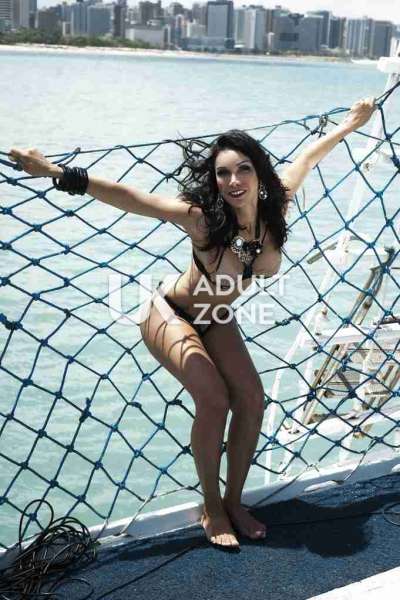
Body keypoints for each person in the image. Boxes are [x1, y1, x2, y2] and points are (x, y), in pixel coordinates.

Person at [8, 97, 376, 549]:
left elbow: (308, 158)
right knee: (214, 398)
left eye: (243, 169)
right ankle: (211, 506)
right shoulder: (202, 220)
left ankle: (235, 501)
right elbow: (134, 199)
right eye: (223, 173)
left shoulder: (276, 207)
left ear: (259, 173)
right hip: (169, 313)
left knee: (252, 399)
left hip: (215, 317)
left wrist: (349, 125)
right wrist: (55, 172)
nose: (233, 181)